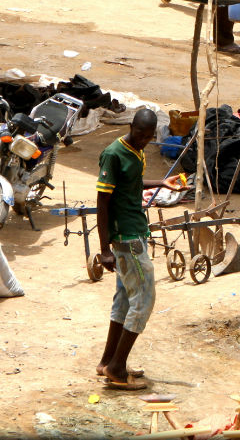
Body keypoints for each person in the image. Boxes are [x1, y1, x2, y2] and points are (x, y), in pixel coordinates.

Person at [95, 109, 183, 391]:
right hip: (126, 238)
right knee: (144, 298)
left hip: (136, 232)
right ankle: (118, 369)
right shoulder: (114, 153)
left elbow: (130, 185)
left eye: (149, 136)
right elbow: (102, 203)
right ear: (131, 126)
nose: (145, 140)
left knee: (124, 298)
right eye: (140, 134)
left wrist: (161, 182)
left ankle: (108, 361)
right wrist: (104, 248)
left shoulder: (136, 151)